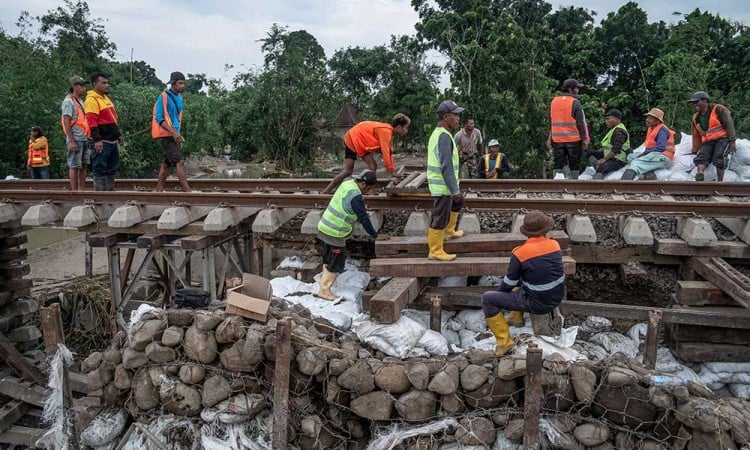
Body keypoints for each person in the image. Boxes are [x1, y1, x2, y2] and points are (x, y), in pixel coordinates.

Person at [481, 210, 564, 356]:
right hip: (556, 297)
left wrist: (500, 296)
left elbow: (509, 282)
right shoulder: (554, 245)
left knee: (488, 299)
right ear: (546, 230)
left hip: (538, 304)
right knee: (525, 277)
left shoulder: (520, 253)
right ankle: (516, 317)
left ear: (526, 233)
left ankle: (504, 342)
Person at [316, 170, 388, 300]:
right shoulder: (355, 196)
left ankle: (324, 284)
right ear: (364, 185)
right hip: (334, 231)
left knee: (328, 257)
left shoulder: (347, 183)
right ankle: (324, 290)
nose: (367, 191)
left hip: (325, 225)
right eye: (369, 188)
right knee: (336, 261)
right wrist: (375, 235)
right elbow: (363, 217)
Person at [321, 114, 411, 194]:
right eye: (406, 128)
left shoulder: (389, 132)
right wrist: (389, 174)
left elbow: (390, 152)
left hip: (353, 138)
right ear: (399, 127)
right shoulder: (386, 132)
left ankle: (326, 190)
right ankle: (371, 191)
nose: (406, 131)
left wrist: (391, 172)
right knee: (372, 166)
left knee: (347, 171)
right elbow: (385, 153)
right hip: (356, 139)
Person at [426, 100, 466, 261]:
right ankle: (435, 251)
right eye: (455, 115)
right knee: (439, 216)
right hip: (442, 186)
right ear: (446, 117)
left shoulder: (443, 134)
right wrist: (454, 190)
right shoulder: (443, 136)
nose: (457, 118)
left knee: (457, 203)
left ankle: (449, 231)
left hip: (445, 184)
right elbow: (446, 166)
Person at [153, 71, 190, 192]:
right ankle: (187, 190)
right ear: (173, 84)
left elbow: (175, 117)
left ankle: (158, 190)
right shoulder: (163, 97)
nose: (183, 86)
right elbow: (159, 118)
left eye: (184, 83)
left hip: (175, 135)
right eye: (180, 83)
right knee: (180, 162)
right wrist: (173, 132)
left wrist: (177, 133)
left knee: (166, 163)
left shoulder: (179, 98)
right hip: (167, 135)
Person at [84, 72, 122, 191]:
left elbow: (112, 120)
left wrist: (118, 136)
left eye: (107, 82)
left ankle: (109, 191)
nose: (107, 85)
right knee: (100, 166)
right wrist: (97, 139)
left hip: (111, 139)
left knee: (112, 167)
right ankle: (100, 193)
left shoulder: (105, 98)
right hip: (102, 140)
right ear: (95, 84)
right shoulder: (91, 100)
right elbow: (92, 121)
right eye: (103, 83)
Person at [688, 91, 737, 182]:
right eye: (693, 103)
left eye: (697, 102)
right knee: (702, 155)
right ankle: (700, 174)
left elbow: (729, 124)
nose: (695, 105)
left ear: (705, 100)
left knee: (719, 156)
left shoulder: (718, 109)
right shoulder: (696, 117)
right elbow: (696, 135)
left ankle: (720, 181)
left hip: (722, 138)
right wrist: (695, 149)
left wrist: (732, 141)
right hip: (708, 140)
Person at [547, 78, 589, 179]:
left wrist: (549, 138)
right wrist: (584, 139)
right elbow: (580, 123)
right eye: (576, 88)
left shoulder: (554, 102)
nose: (578, 90)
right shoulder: (575, 102)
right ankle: (574, 184)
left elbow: (552, 122)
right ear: (570, 90)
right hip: (573, 140)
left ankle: (557, 183)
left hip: (557, 140)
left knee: (558, 163)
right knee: (574, 164)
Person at [621, 108, 675, 180]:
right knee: (630, 157)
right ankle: (649, 173)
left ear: (658, 120)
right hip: (655, 155)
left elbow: (661, 147)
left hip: (663, 157)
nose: (647, 120)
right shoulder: (652, 128)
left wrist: (644, 154)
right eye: (647, 118)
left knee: (635, 162)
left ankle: (623, 186)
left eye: (650, 118)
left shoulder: (662, 129)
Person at [61, 75, 91, 190]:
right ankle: (74, 191)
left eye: (84, 85)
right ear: (74, 87)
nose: (84, 88)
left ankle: (81, 190)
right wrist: (71, 141)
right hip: (76, 138)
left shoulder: (80, 101)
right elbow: (66, 121)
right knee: (74, 165)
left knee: (84, 165)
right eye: (81, 85)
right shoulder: (69, 101)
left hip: (84, 137)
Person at [587, 109, 630, 179]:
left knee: (601, 169)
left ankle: (596, 185)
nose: (606, 121)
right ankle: (598, 167)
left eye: (608, 119)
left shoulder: (619, 131)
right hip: (610, 155)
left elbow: (616, 149)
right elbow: (610, 145)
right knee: (590, 152)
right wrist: (603, 149)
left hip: (618, 159)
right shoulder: (614, 129)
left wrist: (604, 159)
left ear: (616, 119)